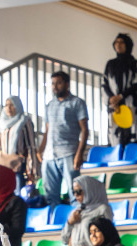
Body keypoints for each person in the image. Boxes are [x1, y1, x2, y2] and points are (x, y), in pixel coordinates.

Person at [38, 72, 89, 205]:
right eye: (53, 83)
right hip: (49, 155)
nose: (55, 86)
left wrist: (79, 153)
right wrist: (41, 149)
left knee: (75, 193)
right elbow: (47, 129)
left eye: (59, 83)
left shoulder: (77, 103)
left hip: (69, 153)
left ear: (67, 84)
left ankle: (78, 222)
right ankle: (56, 221)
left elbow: (84, 129)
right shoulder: (49, 105)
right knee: (50, 196)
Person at [103, 34, 137, 146]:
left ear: (128, 45)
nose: (118, 45)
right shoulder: (110, 64)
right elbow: (105, 84)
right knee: (115, 135)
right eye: (116, 42)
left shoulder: (135, 64)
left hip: (131, 105)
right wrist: (112, 99)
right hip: (114, 106)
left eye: (122, 42)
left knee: (132, 134)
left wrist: (121, 96)